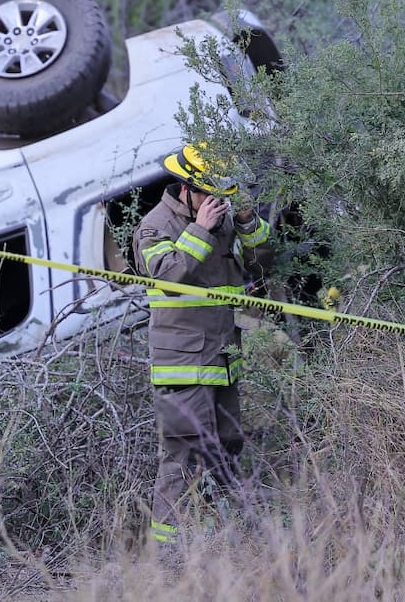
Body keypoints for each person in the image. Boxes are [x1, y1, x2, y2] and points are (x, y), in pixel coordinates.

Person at [132, 144, 274, 545]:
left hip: (222, 356)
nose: (219, 203)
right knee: (182, 453)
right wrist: (200, 230)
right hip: (181, 361)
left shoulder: (223, 218)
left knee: (228, 443)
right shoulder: (155, 226)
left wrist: (247, 223)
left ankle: (233, 533)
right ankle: (165, 550)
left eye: (224, 195)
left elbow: (262, 265)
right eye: (211, 194)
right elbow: (168, 278)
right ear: (187, 189)